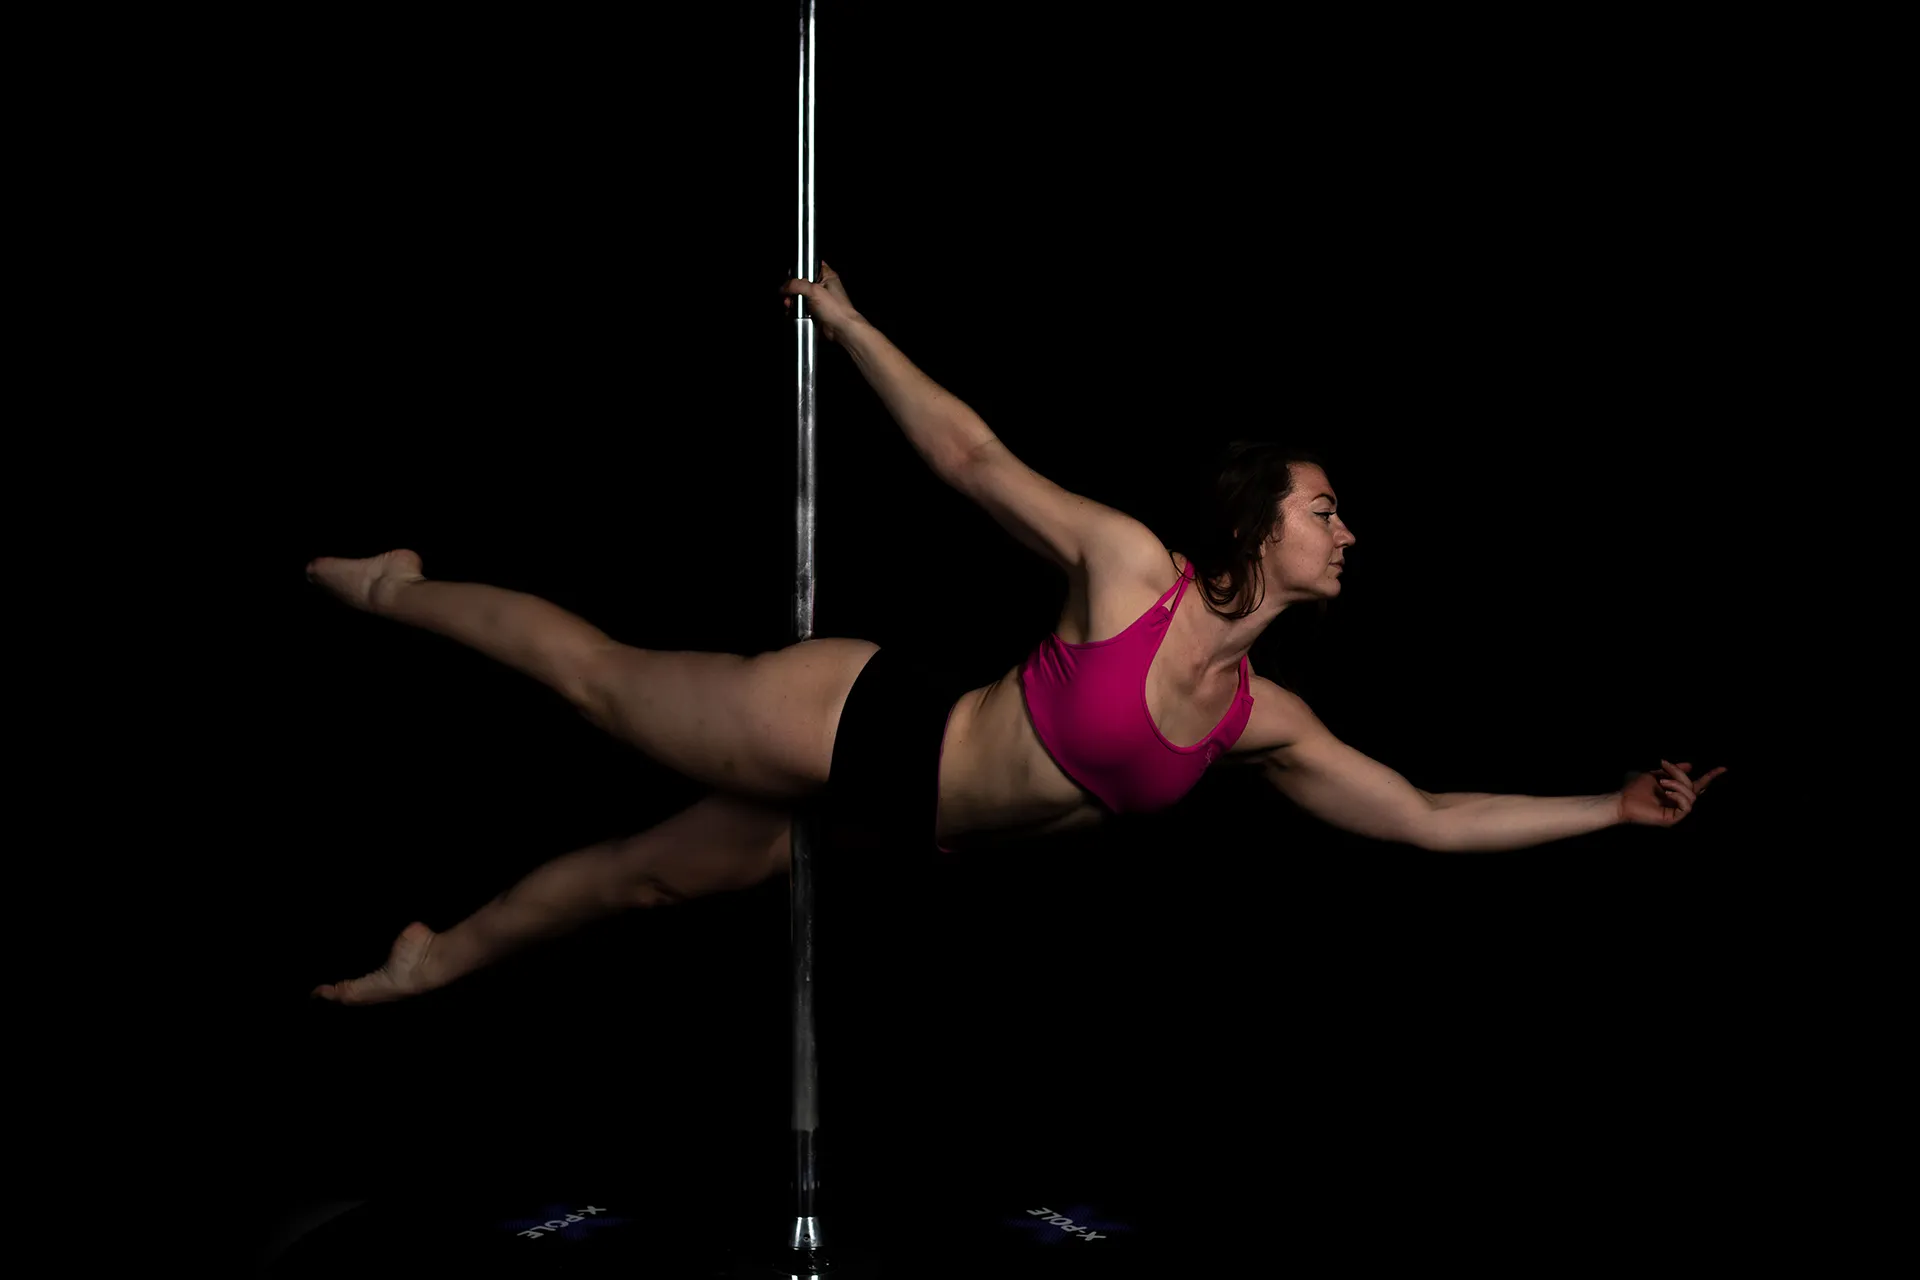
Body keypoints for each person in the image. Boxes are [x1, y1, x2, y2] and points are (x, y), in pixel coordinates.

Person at [308, 263, 1725, 1005]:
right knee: (599, 684)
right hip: (859, 726)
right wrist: (851, 325)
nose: (1349, 532)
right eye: (1326, 510)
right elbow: (973, 459)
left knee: (644, 885)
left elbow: (1425, 818)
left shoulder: (1262, 723)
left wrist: (1609, 809)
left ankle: (436, 961)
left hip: (897, 831)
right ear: (1256, 528)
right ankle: (390, 588)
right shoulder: (1132, 573)